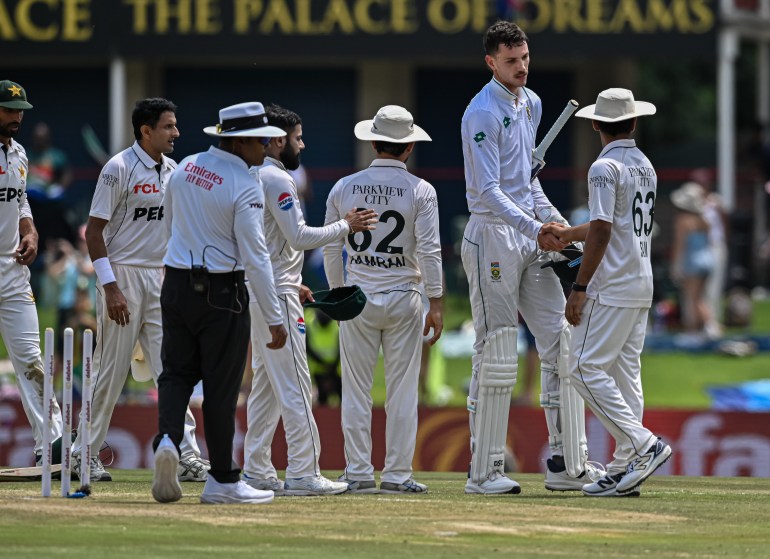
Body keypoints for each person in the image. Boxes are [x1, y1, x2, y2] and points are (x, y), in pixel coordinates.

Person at [460, 21, 603, 495]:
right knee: (497, 349)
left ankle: (566, 462)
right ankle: (484, 470)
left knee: (560, 341)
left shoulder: (533, 102)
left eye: (524, 58)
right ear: (490, 62)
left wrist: (557, 224)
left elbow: (527, 182)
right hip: (493, 237)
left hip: (527, 234)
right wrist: (535, 229)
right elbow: (488, 190)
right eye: (510, 61)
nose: (521, 68)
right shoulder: (481, 113)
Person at [151, 101, 288, 505]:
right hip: (222, 290)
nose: (267, 146)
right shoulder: (247, 184)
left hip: (175, 282)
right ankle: (223, 480)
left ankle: (168, 440)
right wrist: (275, 316)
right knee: (221, 388)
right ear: (239, 141)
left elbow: (170, 224)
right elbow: (256, 255)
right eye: (261, 139)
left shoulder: (186, 166)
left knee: (175, 374)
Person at [72, 98, 209, 483]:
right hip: (123, 277)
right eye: (168, 126)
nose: (176, 133)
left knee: (174, 369)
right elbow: (93, 232)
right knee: (110, 371)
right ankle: (84, 455)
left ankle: (186, 455)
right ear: (146, 131)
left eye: (175, 125)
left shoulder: (174, 171)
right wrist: (111, 287)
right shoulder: (118, 168)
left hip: (161, 278)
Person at [242, 104, 375, 496]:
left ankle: (256, 469)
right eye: (298, 138)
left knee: (266, 388)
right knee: (298, 385)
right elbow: (299, 236)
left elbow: (267, 242)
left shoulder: (254, 176)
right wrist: (345, 226)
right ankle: (303, 471)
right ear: (279, 140)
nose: (303, 144)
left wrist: (291, 279)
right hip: (275, 295)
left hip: (263, 289)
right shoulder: (278, 179)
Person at [550, 88, 672, 497]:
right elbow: (612, 224)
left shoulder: (604, 167)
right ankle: (624, 468)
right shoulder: (644, 164)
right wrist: (568, 233)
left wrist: (579, 286)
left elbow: (602, 229)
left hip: (612, 284)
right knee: (624, 373)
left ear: (597, 124)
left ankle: (642, 444)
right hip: (640, 282)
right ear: (634, 122)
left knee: (581, 368)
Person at [323, 105, 443, 494]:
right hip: (404, 295)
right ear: (408, 147)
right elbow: (430, 250)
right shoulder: (421, 190)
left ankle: (357, 472)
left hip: (357, 297)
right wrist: (437, 301)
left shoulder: (344, 186)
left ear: (373, 142)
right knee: (402, 391)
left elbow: (329, 247)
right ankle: (396, 474)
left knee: (356, 390)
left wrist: (339, 290)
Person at [0, 79, 63, 464]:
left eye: (20, 110)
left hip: (11, 267)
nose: (17, 117)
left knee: (31, 360)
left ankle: (51, 450)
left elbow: (20, 199)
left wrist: (31, 230)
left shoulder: (20, 153)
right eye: (9, 110)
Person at [670, 181, 715, 337]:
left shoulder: (683, 220)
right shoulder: (704, 221)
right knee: (700, 297)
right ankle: (709, 326)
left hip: (693, 261)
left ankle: (693, 330)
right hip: (708, 259)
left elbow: (679, 245)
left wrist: (675, 266)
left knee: (691, 299)